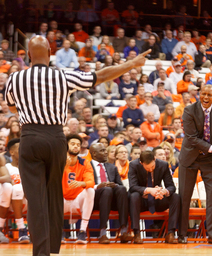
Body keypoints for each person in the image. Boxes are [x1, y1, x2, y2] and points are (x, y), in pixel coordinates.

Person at [4, 35, 149, 255]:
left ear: (29, 55)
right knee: (54, 192)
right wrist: (131, 64)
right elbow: (99, 77)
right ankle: (53, 247)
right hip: (55, 138)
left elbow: (12, 106)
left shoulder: (15, 78)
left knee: (36, 197)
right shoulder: (63, 76)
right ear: (51, 53)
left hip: (30, 137)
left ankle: (41, 251)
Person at [178, 84, 212, 244]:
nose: (206, 97)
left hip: (210, 159)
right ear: (199, 94)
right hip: (190, 157)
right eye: (203, 94)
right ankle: (182, 234)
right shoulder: (189, 110)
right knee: (184, 197)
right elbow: (192, 138)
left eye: (209, 95)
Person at [128, 151, 180, 244]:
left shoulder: (163, 165)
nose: (151, 169)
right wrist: (149, 190)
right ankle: (136, 233)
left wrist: (164, 191)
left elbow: (171, 187)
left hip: (157, 199)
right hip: (141, 201)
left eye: (152, 166)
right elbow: (132, 187)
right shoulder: (133, 165)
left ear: (155, 159)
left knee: (175, 197)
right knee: (134, 196)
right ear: (141, 163)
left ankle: (170, 233)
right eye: (147, 168)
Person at [62, 134, 95, 244]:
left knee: (90, 190)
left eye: (78, 145)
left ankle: (82, 232)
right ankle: (58, 232)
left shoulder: (85, 162)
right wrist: (63, 167)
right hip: (61, 201)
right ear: (66, 146)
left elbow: (91, 182)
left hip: (77, 201)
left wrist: (81, 183)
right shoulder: (58, 161)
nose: (76, 146)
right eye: (72, 144)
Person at [0, 139, 29, 244]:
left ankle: (28, 230)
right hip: (8, 203)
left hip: (26, 202)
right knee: (13, 187)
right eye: (20, 149)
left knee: (19, 188)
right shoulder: (6, 167)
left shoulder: (29, 168)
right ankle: (22, 230)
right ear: (11, 152)